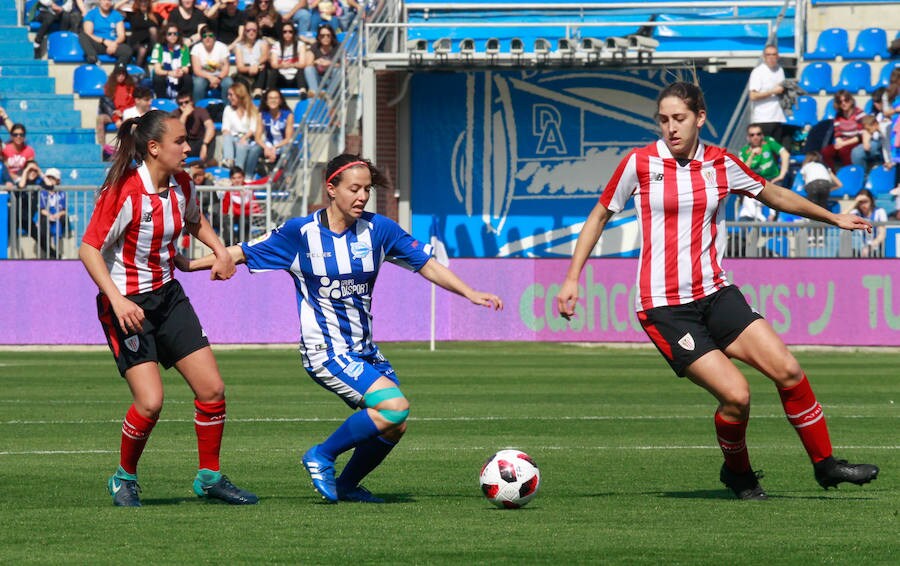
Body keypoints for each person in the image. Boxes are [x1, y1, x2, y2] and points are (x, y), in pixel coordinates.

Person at [556, 81, 879, 500]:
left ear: (700, 118)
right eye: (663, 120)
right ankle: (739, 474)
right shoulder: (639, 163)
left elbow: (774, 194)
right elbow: (600, 215)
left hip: (716, 294)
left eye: (679, 119)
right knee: (737, 396)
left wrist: (833, 218)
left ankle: (826, 465)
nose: (670, 128)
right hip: (666, 308)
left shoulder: (721, 163)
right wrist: (572, 277)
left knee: (789, 372)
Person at [181, 154, 503, 503]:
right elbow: (241, 252)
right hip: (326, 351)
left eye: (367, 189)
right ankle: (321, 454)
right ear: (331, 188)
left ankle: (346, 485)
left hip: (365, 349)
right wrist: (190, 264)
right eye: (354, 188)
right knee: (394, 407)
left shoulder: (380, 229)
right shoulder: (299, 233)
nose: (362, 196)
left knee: (396, 423)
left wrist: (470, 292)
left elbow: (426, 264)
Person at [78, 110, 258, 507]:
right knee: (150, 402)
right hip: (127, 305)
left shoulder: (181, 182)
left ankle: (209, 478)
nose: (188, 148)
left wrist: (218, 251)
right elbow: (89, 249)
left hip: (168, 296)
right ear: (154, 148)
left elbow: (194, 220)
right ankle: (124, 478)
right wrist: (116, 298)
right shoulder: (125, 191)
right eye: (180, 141)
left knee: (212, 390)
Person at [747, 45, 789, 150]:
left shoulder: (780, 70)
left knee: (776, 152)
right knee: (764, 151)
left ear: (778, 56)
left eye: (773, 54)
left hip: (777, 117)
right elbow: (753, 95)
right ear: (764, 56)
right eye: (768, 55)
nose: (771, 57)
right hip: (762, 119)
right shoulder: (758, 72)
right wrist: (772, 91)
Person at [220, 81, 262, 173]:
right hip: (233, 138)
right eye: (228, 95)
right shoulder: (228, 109)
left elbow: (253, 128)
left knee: (241, 145)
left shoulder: (252, 109)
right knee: (227, 136)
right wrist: (229, 134)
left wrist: (244, 138)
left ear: (239, 95)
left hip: (247, 138)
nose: (228, 97)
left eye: (231, 95)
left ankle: (239, 170)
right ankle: (228, 160)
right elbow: (225, 128)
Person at [79, 0, 133, 65]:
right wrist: (104, 41)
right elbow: (88, 33)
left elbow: (121, 35)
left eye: (109, 1)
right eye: (104, 0)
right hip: (97, 44)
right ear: (100, 1)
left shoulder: (116, 15)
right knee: (83, 35)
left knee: (127, 50)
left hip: (113, 44)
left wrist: (114, 44)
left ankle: (118, 70)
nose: (106, 3)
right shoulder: (91, 14)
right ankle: (93, 59)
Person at [821, 90, 865, 171]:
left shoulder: (859, 113)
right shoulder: (838, 115)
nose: (843, 103)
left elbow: (860, 136)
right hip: (843, 142)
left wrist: (844, 144)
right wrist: (839, 142)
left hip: (855, 141)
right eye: (840, 102)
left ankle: (849, 172)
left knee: (843, 150)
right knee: (826, 151)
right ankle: (832, 175)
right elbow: (837, 133)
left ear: (851, 101)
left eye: (846, 100)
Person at [190, 25, 233, 102]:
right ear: (201, 38)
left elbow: (226, 68)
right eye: (204, 36)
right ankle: (198, 108)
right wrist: (210, 78)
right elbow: (196, 70)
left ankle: (228, 108)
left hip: (220, 76)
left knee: (228, 82)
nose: (208, 38)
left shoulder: (222, 47)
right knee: (198, 83)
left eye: (210, 35)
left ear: (214, 37)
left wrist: (218, 79)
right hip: (203, 76)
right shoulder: (196, 48)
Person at [96, 64, 136, 145]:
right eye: (119, 74)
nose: (121, 76)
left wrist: (122, 112)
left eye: (123, 74)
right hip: (112, 114)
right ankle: (102, 148)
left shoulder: (131, 88)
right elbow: (107, 105)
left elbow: (133, 104)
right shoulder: (108, 87)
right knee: (100, 118)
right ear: (114, 75)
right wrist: (116, 118)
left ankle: (129, 148)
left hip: (126, 113)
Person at [173, 93, 216, 165]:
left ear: (192, 102)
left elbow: (210, 127)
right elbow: (177, 133)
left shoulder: (200, 110)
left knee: (212, 137)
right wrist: (184, 115)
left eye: (186, 102)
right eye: (181, 103)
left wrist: (204, 145)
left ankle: (208, 165)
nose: (184, 105)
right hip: (185, 143)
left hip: (199, 142)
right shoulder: (175, 113)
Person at [151, 24, 193, 99]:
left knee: (187, 79)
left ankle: (184, 101)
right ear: (165, 35)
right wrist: (169, 73)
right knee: (158, 78)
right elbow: (157, 69)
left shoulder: (183, 47)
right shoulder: (158, 47)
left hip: (178, 73)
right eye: (169, 34)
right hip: (165, 73)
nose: (172, 36)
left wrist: (180, 72)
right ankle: (162, 101)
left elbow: (186, 68)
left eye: (175, 34)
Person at [233, 20, 271, 98]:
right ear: (244, 32)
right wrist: (251, 68)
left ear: (257, 31)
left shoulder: (262, 43)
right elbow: (240, 67)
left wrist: (256, 65)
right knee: (240, 79)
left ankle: (258, 91)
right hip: (245, 72)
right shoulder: (239, 46)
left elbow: (265, 56)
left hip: (260, 71)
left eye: (254, 30)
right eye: (248, 30)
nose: (251, 32)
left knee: (263, 66)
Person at [257, 88, 295, 167]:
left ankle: (288, 176)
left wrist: (275, 148)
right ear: (266, 101)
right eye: (270, 98)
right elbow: (257, 138)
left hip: (283, 145)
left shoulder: (288, 115)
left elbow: (288, 138)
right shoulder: (262, 115)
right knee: (254, 149)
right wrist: (266, 148)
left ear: (280, 101)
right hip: (268, 144)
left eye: (276, 98)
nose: (273, 100)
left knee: (286, 150)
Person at [35, 167, 68, 258]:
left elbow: (64, 210)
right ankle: (49, 252)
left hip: (57, 216)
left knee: (58, 225)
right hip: (46, 217)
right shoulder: (43, 193)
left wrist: (57, 215)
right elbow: (42, 209)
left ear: (58, 180)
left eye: (52, 178)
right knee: (45, 224)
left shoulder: (62, 193)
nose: (50, 180)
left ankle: (58, 252)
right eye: (48, 178)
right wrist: (50, 215)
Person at [269, 21, 309, 95]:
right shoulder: (277, 45)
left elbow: (302, 64)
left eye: (290, 32)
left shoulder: (300, 45)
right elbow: (273, 64)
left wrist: (291, 65)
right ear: (282, 33)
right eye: (285, 32)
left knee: (300, 71)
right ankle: (270, 92)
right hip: (282, 76)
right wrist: (281, 65)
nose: (287, 34)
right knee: (274, 71)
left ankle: (303, 91)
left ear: (293, 33)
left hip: (295, 76)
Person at [848, 188, 887, 257]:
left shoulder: (880, 212)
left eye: (865, 201)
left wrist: (869, 247)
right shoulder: (856, 213)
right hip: (859, 250)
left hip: (876, 250)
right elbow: (839, 219)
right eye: (860, 202)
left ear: (871, 201)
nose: (863, 205)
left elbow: (882, 234)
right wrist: (854, 203)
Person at [304, 23, 339, 97]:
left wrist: (330, 63)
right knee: (308, 69)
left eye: (328, 35)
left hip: (332, 79)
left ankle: (328, 95)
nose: (325, 38)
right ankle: (315, 94)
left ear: (332, 36)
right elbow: (308, 64)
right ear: (319, 37)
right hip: (319, 79)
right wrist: (316, 62)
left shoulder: (338, 46)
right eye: (322, 36)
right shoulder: (315, 46)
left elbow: (345, 64)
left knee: (338, 71)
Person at [124, 0, 161, 69]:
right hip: (136, 44)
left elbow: (168, 23)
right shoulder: (133, 15)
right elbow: (115, 8)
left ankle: (157, 50)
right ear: (137, 3)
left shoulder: (155, 15)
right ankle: (137, 72)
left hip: (151, 44)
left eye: (146, 1)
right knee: (142, 49)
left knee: (153, 29)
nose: (143, 3)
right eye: (141, 1)